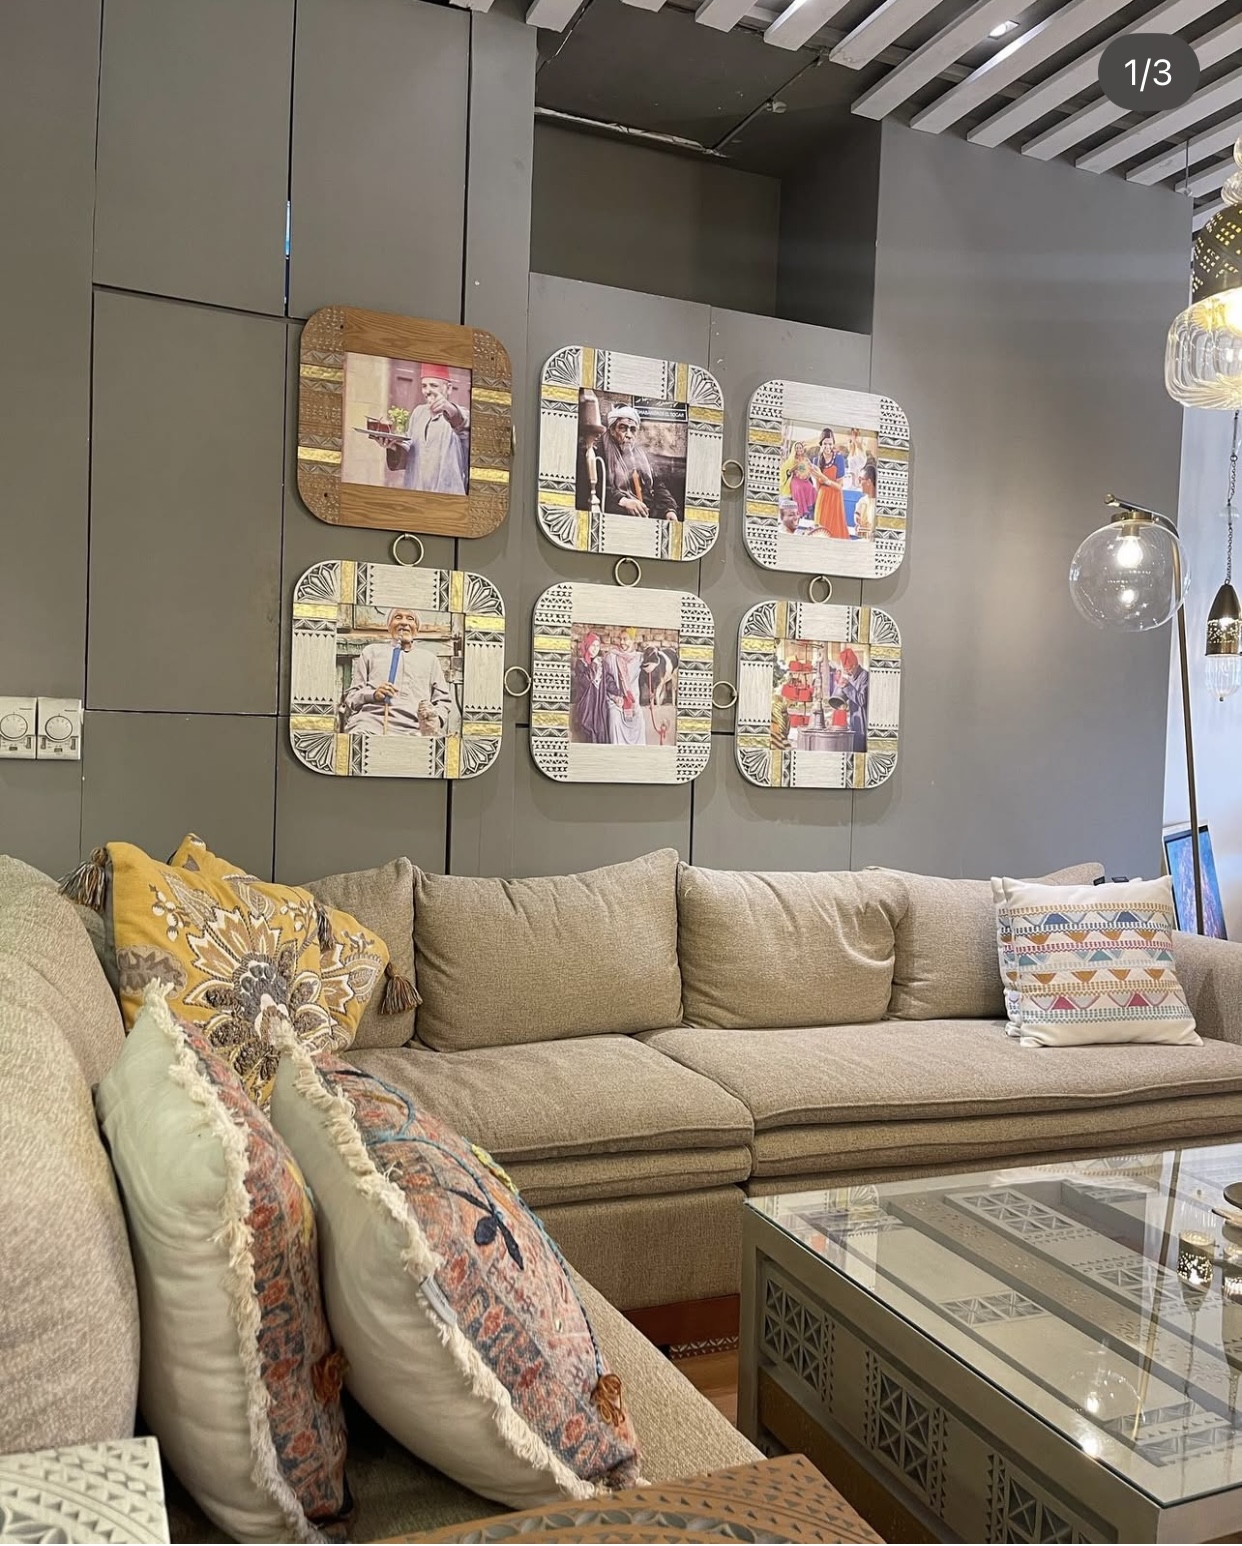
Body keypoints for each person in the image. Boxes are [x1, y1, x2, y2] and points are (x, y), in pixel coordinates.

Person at [342, 609, 452, 736]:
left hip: (416, 728)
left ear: (416, 629)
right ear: (389, 626)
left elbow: (443, 701)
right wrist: (373, 694)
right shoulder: (371, 652)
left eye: (410, 619)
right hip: (372, 724)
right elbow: (352, 698)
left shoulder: (429, 659)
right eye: (398, 617)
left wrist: (434, 720)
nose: (404, 622)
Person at [591, 405, 680, 521]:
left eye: (632, 430)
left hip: (645, 510)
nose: (629, 435)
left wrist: (669, 509)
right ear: (612, 430)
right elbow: (598, 487)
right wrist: (624, 501)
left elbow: (657, 484)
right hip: (617, 511)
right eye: (623, 428)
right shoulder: (599, 452)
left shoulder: (640, 454)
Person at [402, 364, 469, 495]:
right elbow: (408, 449)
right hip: (416, 491)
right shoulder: (418, 413)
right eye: (424, 386)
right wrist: (392, 445)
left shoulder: (460, 414)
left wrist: (448, 408)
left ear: (449, 388)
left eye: (434, 385)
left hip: (447, 495)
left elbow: (462, 423)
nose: (427, 391)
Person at [603, 630, 646, 745]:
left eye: (625, 639)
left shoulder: (640, 658)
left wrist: (652, 664)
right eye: (620, 639)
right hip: (615, 700)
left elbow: (655, 659)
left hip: (633, 701)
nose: (622, 642)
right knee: (614, 718)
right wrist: (615, 697)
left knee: (640, 719)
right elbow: (606, 680)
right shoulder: (611, 657)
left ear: (633, 640)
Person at [571, 632, 611, 744]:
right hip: (587, 705)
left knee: (601, 732)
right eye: (593, 645)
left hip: (599, 705)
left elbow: (608, 681)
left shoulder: (602, 664)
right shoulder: (581, 663)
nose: (595, 649)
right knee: (588, 733)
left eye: (597, 646)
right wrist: (593, 666)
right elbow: (585, 681)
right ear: (587, 645)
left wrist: (619, 694)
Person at [809, 429, 849, 539]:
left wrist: (824, 478)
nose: (827, 446)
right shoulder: (816, 460)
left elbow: (839, 487)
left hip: (835, 498)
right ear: (820, 444)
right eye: (825, 443)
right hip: (822, 499)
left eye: (830, 444)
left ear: (833, 444)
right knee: (821, 531)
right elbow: (817, 487)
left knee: (835, 530)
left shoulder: (839, 459)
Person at [832, 646, 870, 754]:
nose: (848, 672)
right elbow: (845, 697)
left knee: (860, 746)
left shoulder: (865, 676)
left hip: (863, 718)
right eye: (846, 670)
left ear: (856, 665)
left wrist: (847, 686)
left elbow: (862, 700)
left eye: (849, 669)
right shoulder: (851, 677)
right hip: (854, 718)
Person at [781, 441, 817, 521]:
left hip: (804, 479)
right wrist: (793, 469)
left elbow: (809, 469)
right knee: (798, 488)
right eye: (797, 448)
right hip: (795, 479)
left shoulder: (806, 459)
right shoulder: (791, 460)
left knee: (811, 488)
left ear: (803, 449)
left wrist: (807, 474)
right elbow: (786, 471)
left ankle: (810, 510)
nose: (799, 449)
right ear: (794, 450)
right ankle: (801, 512)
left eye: (800, 448)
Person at [853, 462, 877, 540]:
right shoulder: (862, 502)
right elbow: (857, 523)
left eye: (861, 479)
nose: (859, 483)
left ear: (869, 482)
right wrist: (857, 527)